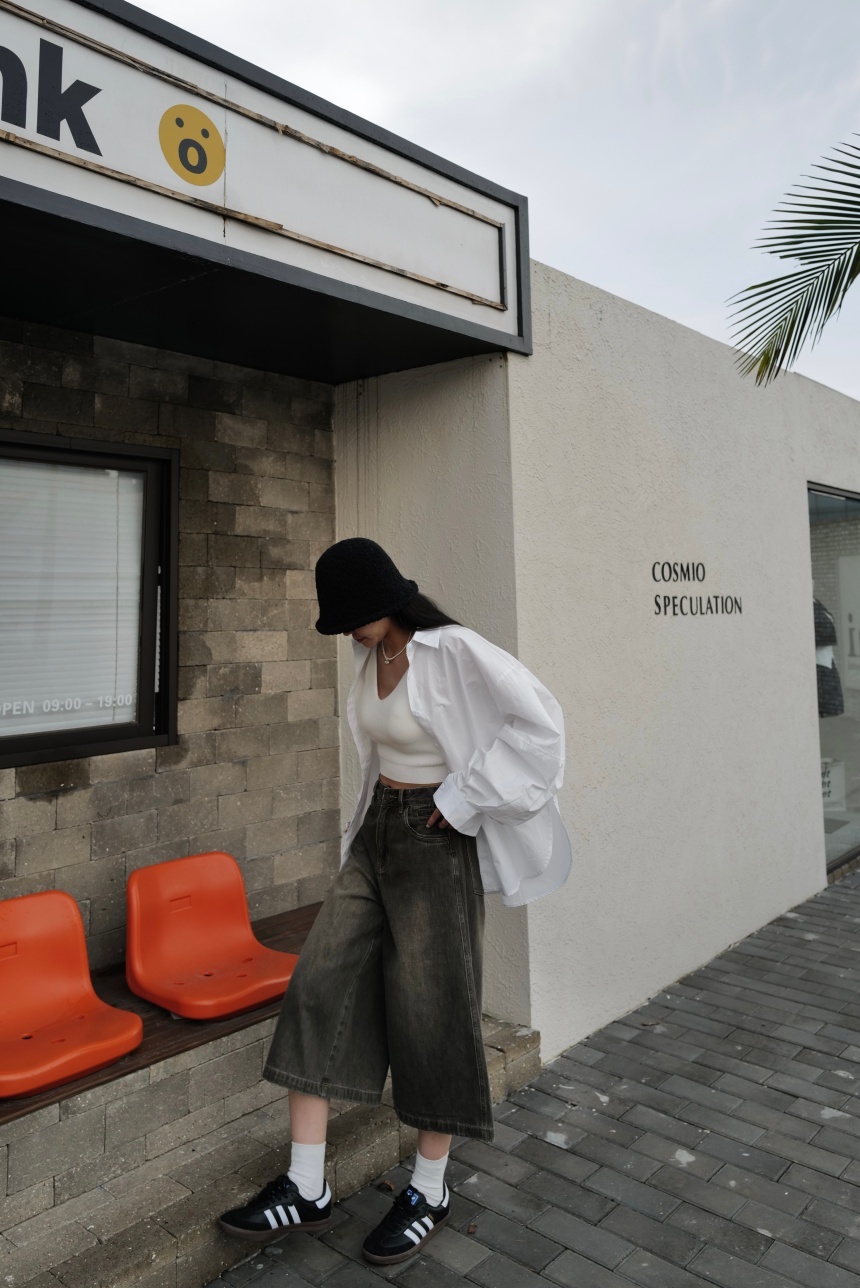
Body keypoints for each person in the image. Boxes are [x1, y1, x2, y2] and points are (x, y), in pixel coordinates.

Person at [219, 537, 571, 1265]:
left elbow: (541, 725)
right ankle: (307, 1187)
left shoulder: (453, 650)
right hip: (377, 834)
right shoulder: (372, 655)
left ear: (382, 601)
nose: (346, 632)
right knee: (317, 985)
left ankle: (429, 1190)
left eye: (351, 616)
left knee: (431, 1008)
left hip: (433, 838)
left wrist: (464, 798)